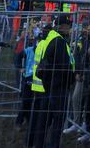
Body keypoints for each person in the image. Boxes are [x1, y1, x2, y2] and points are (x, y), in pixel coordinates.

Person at [29, 15, 75, 148]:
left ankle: (38, 144)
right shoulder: (59, 41)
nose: (70, 28)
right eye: (68, 26)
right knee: (57, 121)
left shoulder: (51, 39)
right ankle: (53, 144)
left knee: (44, 120)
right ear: (62, 26)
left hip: (49, 86)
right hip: (58, 87)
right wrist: (70, 79)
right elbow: (63, 66)